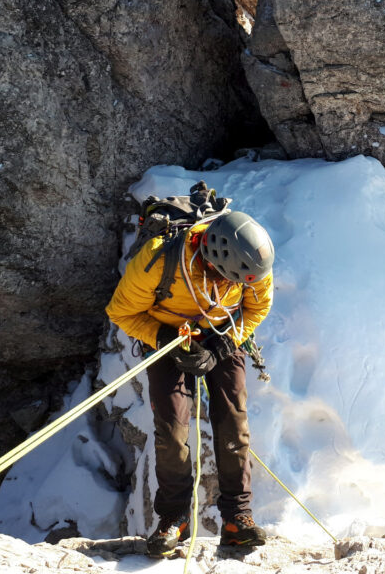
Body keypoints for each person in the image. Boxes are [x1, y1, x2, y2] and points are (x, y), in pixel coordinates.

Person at [105, 208, 275, 556]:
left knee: (233, 424)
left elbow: (256, 309)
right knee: (172, 431)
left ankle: (237, 520)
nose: (233, 286)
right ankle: (173, 519)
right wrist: (165, 336)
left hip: (222, 332)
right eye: (229, 279)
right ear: (215, 259)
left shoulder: (253, 267)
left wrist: (222, 345)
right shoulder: (158, 258)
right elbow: (121, 311)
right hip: (168, 339)